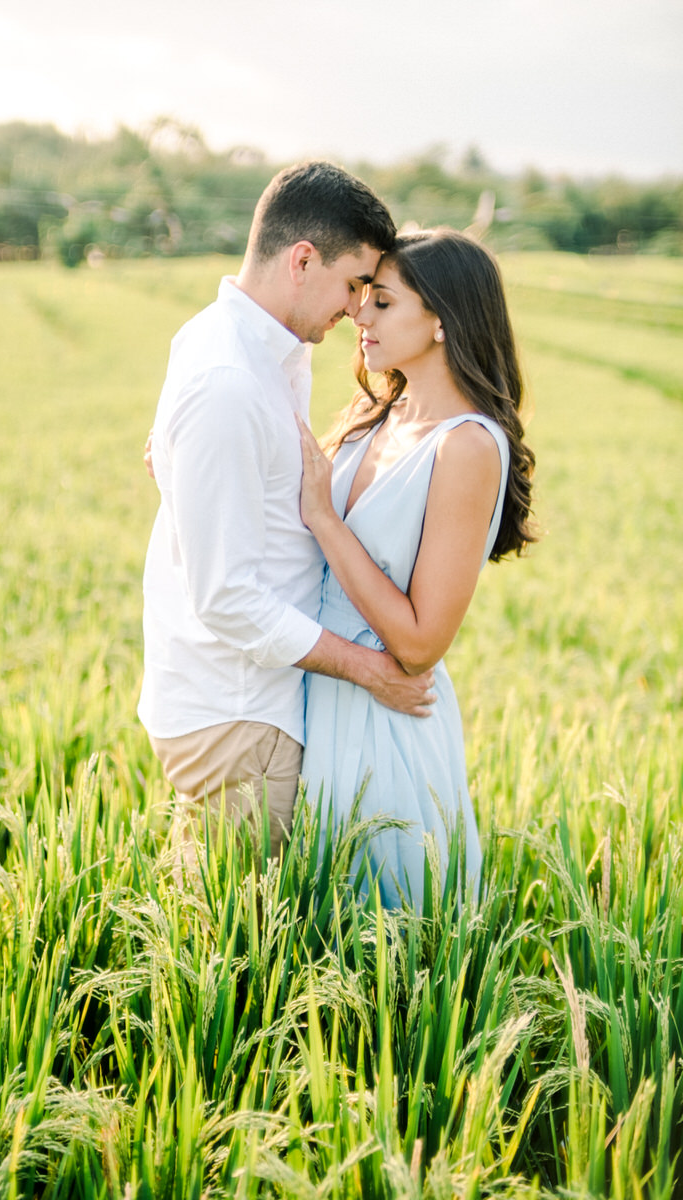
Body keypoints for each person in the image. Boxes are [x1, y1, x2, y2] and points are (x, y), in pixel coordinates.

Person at [138, 162, 436, 864]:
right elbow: (227, 597)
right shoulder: (229, 379)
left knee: (226, 926)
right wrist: (370, 668)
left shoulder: (261, 350)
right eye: (354, 282)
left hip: (246, 701)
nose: (359, 307)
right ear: (302, 259)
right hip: (239, 710)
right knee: (237, 952)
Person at [296, 228, 536, 908]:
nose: (358, 316)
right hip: (320, 692)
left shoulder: (466, 447)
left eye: (382, 303)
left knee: (389, 944)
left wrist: (325, 519)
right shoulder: (377, 412)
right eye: (362, 299)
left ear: (439, 320)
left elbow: (422, 640)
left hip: (386, 715)